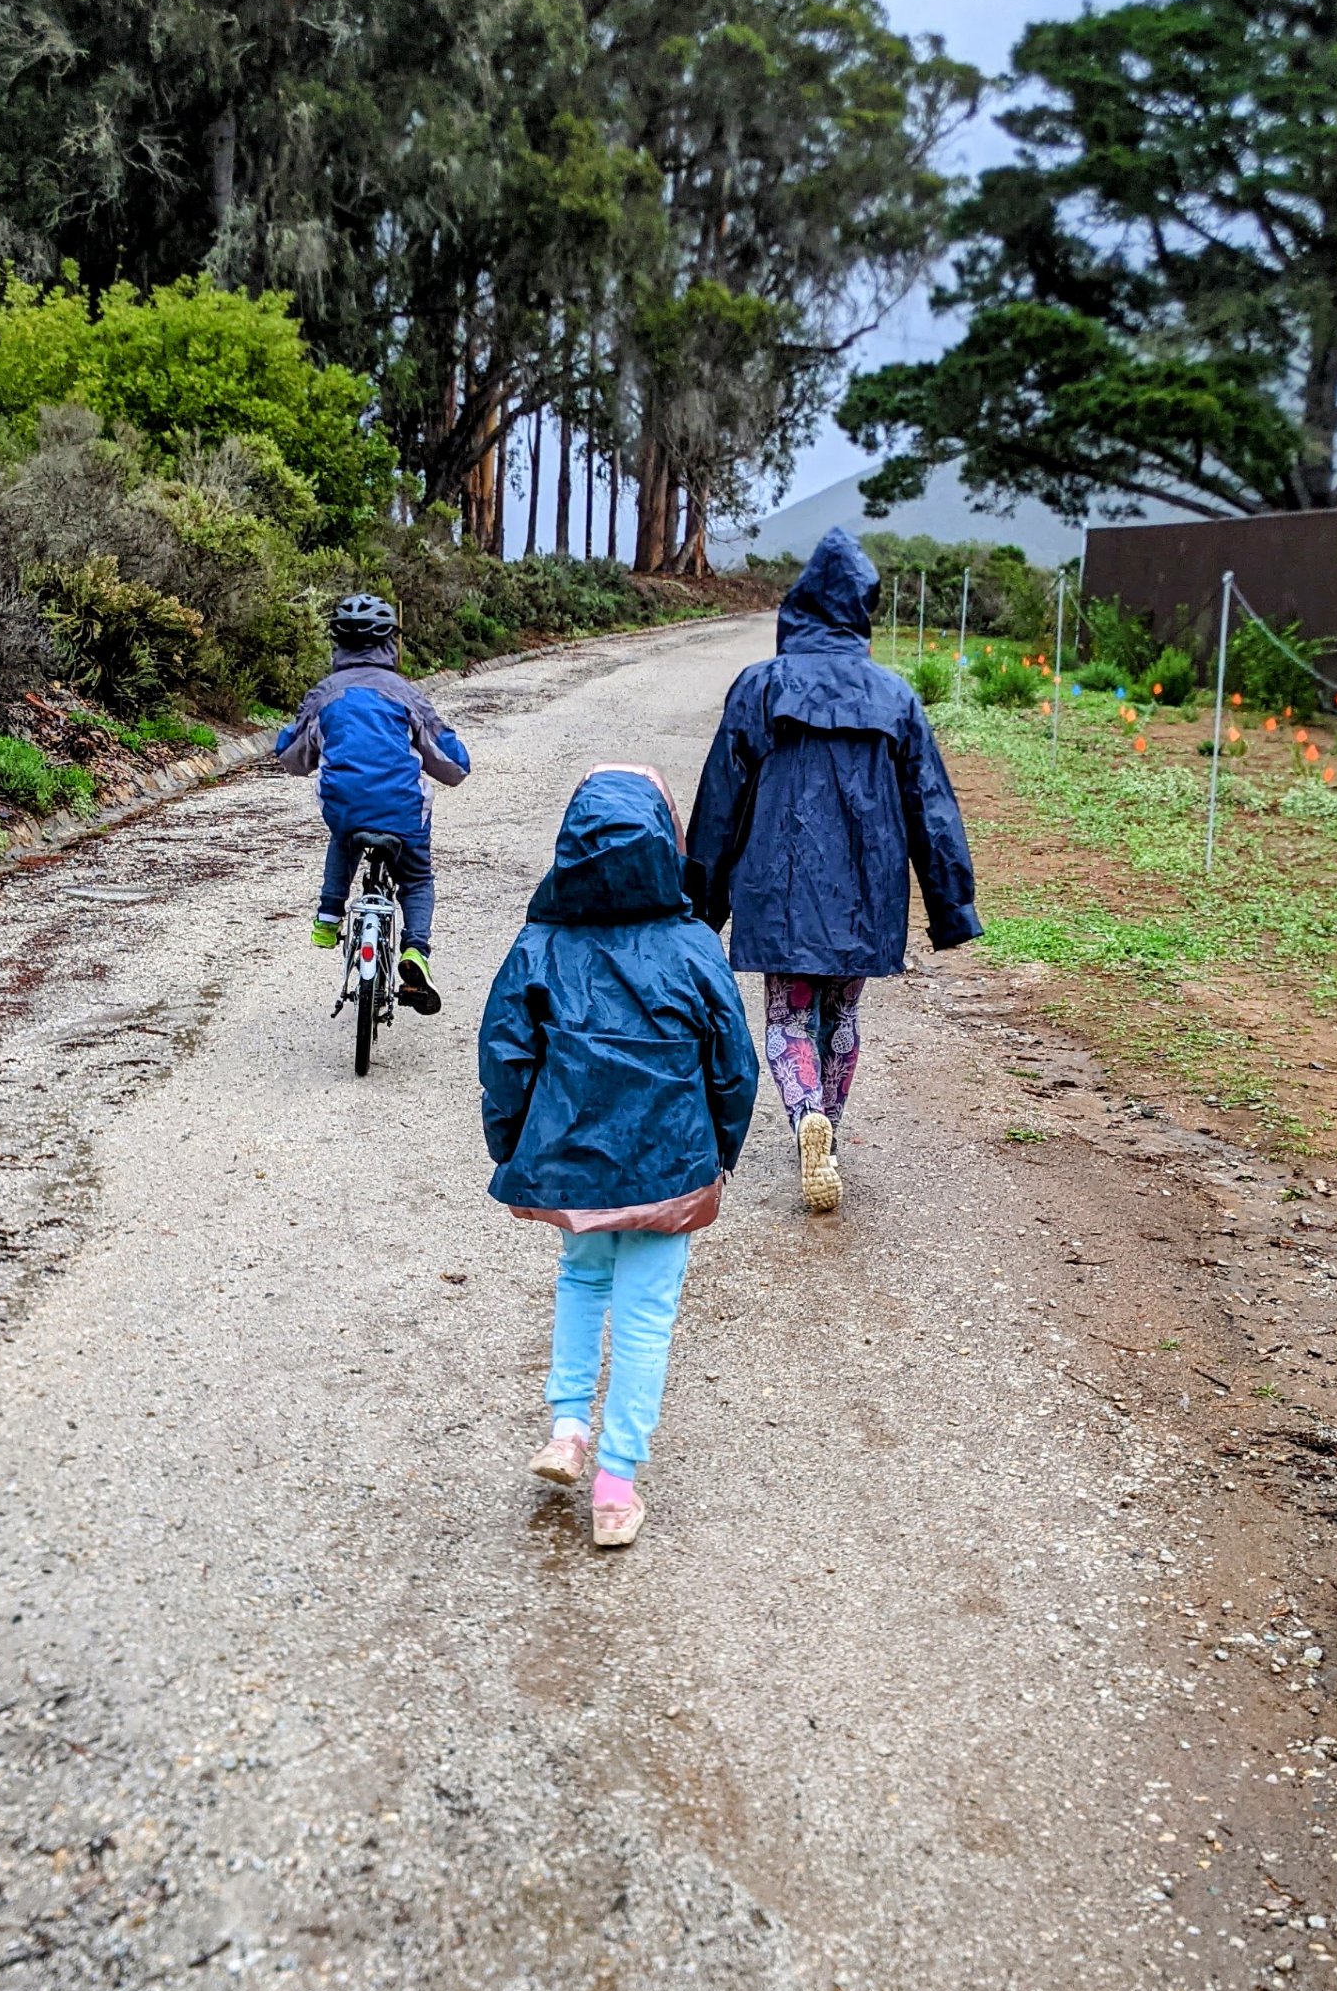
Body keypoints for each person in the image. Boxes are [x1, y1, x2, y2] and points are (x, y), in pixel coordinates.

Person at [478, 768, 758, 1548]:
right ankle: (615, 1486)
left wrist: (511, 1143)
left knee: (581, 1277)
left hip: (572, 1160)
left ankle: (567, 1427)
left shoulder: (541, 943)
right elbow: (733, 1065)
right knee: (645, 1316)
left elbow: (504, 1055)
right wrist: (720, 1153)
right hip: (672, 1162)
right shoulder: (694, 946)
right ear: (666, 845)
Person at [685, 528, 980, 1213]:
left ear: (798, 605)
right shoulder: (895, 696)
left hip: (780, 886)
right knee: (843, 1010)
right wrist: (951, 907)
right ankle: (831, 1132)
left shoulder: (762, 686)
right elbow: (931, 807)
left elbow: (721, 799)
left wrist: (700, 900)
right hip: (867, 891)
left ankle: (805, 1116)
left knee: (789, 1016)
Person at [274, 591, 470, 1012]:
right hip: (402, 810)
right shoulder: (405, 694)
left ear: (338, 643)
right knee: (416, 879)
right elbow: (450, 762)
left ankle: (329, 917)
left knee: (344, 832)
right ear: (389, 643)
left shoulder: (324, 695)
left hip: (345, 807)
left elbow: (291, 755)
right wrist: (459, 765)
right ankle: (415, 950)